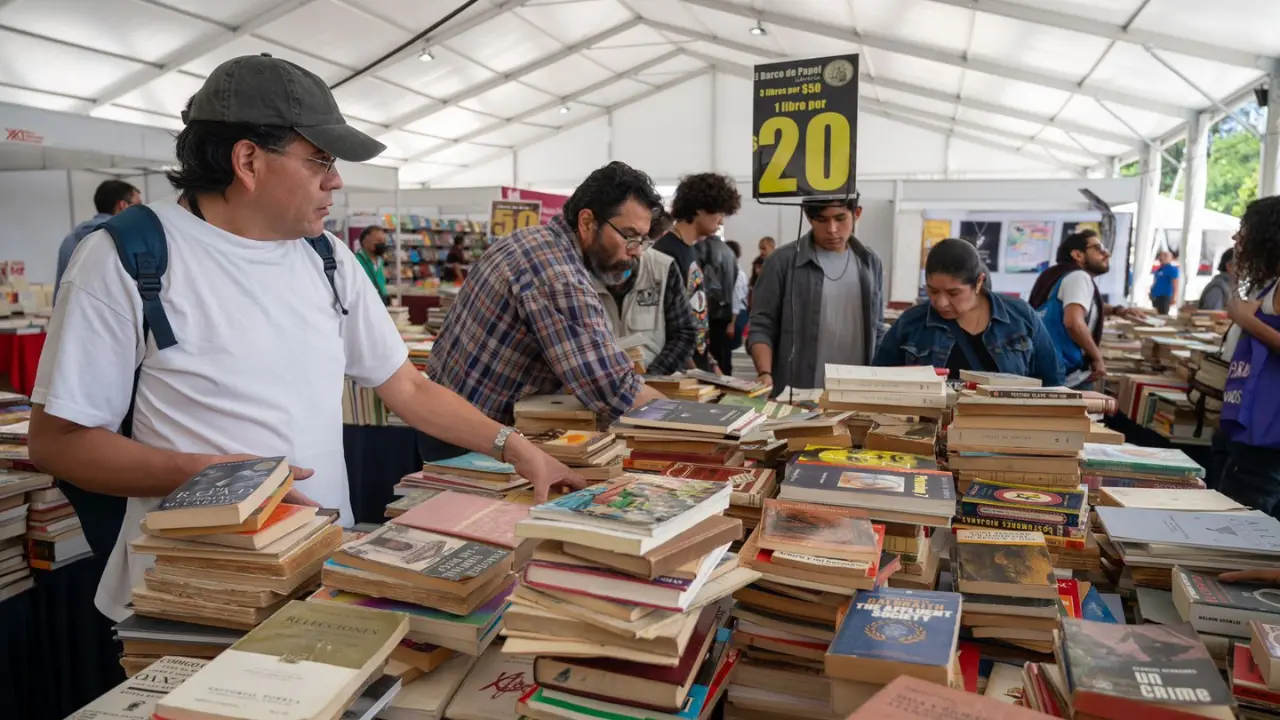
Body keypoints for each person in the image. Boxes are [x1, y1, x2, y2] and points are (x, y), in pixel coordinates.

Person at [27, 53, 581, 623]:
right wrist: (218, 475)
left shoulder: (326, 258)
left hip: (318, 566)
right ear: (248, 160)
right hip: (197, 589)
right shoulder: (126, 256)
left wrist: (517, 449)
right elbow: (58, 442)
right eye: (319, 160)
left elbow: (408, 389)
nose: (335, 180)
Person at [424, 161, 669, 461]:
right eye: (629, 235)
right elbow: (615, 392)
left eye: (643, 239)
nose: (636, 251)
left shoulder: (531, 239)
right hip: (469, 444)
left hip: (449, 421)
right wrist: (692, 419)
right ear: (588, 222)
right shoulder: (558, 274)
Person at [874, 239, 1063, 386]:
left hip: (1008, 429)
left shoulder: (1020, 317)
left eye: (953, 293)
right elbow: (880, 380)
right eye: (932, 291)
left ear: (979, 282)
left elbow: (1051, 380)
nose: (941, 302)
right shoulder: (912, 322)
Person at [749, 195, 885, 396]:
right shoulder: (782, 263)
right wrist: (765, 373)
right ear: (809, 218)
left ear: (857, 213)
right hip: (797, 392)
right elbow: (762, 325)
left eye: (840, 218)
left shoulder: (870, 262)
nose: (832, 229)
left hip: (858, 391)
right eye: (822, 220)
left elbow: (878, 327)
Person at [1215, 196, 1280, 517]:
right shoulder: (1271, 284)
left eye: (1244, 230)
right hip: (1255, 425)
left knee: (1244, 521)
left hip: (1268, 433)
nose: (1236, 238)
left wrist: (1246, 319)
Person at [1029, 229, 1143, 389]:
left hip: (1044, 369)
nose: (1107, 254)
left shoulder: (1053, 275)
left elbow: (1078, 305)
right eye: (1098, 248)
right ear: (1078, 255)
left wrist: (1118, 310)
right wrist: (1097, 357)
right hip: (1068, 377)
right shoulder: (1078, 277)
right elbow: (1073, 322)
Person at [653, 172, 742, 372]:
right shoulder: (666, 252)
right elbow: (667, 323)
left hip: (698, 367)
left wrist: (710, 363)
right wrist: (693, 370)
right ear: (700, 209)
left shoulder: (691, 250)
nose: (721, 222)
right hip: (679, 372)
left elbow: (696, 316)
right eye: (719, 213)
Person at [597, 248, 697, 377]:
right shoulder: (578, 271)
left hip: (653, 380)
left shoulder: (662, 268)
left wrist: (653, 376)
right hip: (598, 385)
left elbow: (684, 332)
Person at [54, 180, 141, 302]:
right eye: (138, 205)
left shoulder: (70, 238)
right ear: (123, 205)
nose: (141, 211)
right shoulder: (122, 239)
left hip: (68, 317)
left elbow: (59, 290)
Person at [696, 234, 740, 374]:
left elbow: (705, 283)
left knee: (708, 356)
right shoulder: (729, 252)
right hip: (725, 311)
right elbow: (734, 281)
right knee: (724, 355)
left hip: (709, 311)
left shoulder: (703, 249)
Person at [355, 225, 390, 305]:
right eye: (378, 240)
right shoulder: (356, 261)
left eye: (384, 241)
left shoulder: (380, 261)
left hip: (381, 302)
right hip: (365, 304)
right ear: (365, 242)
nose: (382, 244)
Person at [725, 240, 749, 351]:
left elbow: (736, 299)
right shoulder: (734, 270)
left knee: (730, 350)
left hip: (737, 316)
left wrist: (732, 324)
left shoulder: (737, 273)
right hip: (737, 314)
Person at [1150, 250, 1181, 315]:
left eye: (1165, 256)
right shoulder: (1159, 269)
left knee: (1163, 314)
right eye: (1161, 255)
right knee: (1156, 314)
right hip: (1156, 296)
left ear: (1171, 258)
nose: (1162, 258)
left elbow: (1175, 283)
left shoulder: (1172, 269)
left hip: (1164, 296)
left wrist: (1174, 297)